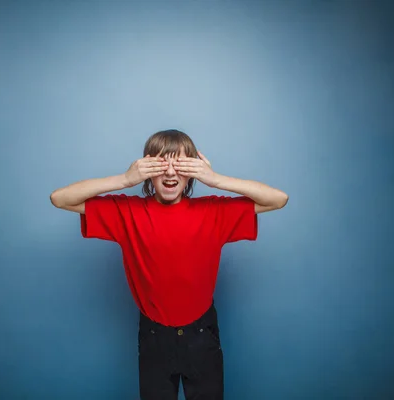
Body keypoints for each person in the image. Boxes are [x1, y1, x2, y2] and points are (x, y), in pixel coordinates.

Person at [50, 129, 288, 400]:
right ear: (147, 169)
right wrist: (125, 179)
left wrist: (216, 179)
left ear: (193, 171)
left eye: (181, 165)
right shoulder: (127, 211)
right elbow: (60, 198)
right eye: (162, 164)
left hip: (202, 334)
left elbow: (278, 199)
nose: (171, 173)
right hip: (154, 337)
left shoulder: (213, 211)